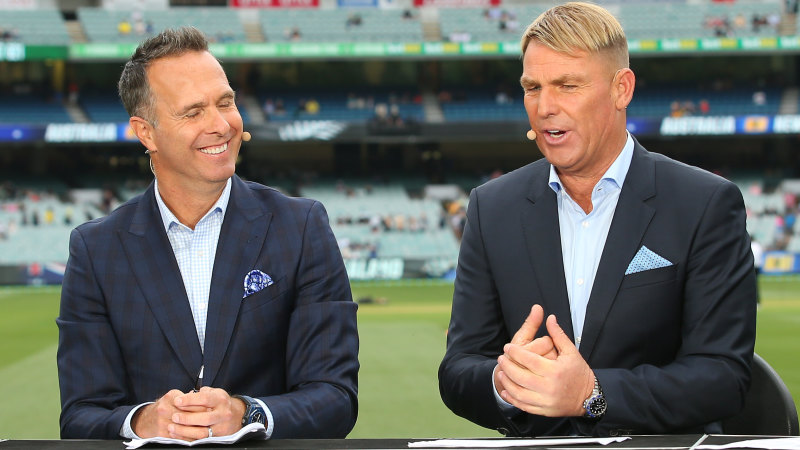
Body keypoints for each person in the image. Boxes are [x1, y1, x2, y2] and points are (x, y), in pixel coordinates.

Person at [439, 2, 756, 437]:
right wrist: (505, 382)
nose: (545, 106)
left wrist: (591, 393)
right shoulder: (492, 207)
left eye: (567, 85)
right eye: (532, 88)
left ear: (621, 89)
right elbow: (458, 369)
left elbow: (722, 377)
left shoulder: (705, 203)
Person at [57, 27, 358, 441]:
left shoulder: (302, 226)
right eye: (193, 112)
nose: (221, 125)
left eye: (225, 102)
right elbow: (80, 416)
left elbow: (336, 398)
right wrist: (145, 420)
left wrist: (247, 413)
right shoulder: (96, 249)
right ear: (146, 132)